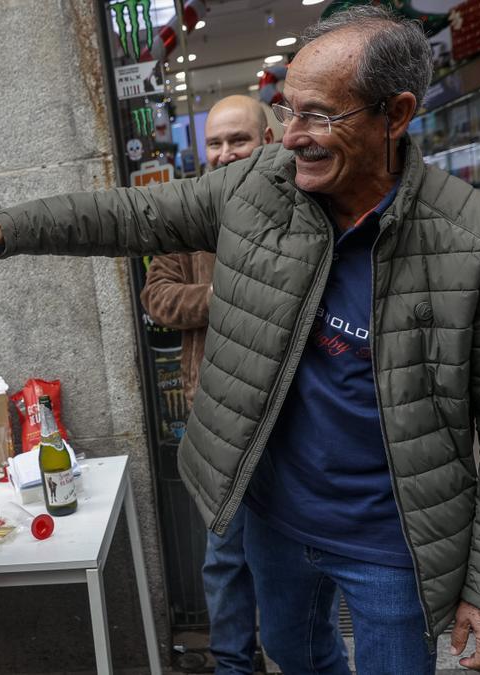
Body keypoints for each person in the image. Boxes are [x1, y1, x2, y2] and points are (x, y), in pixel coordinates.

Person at [0, 7, 480, 674]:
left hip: (390, 543)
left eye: (318, 115)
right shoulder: (259, 187)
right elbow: (129, 214)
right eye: (288, 109)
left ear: (396, 114)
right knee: (294, 653)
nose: (292, 135)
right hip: (274, 516)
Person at [140, 96, 280, 675]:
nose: (225, 154)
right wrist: (221, 299)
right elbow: (158, 295)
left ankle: (297, 655)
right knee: (225, 556)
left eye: (238, 140)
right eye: (216, 144)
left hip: (293, 413)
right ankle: (232, 664)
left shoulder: (302, 206)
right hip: (217, 415)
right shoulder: (189, 213)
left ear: (268, 141)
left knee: (295, 556)